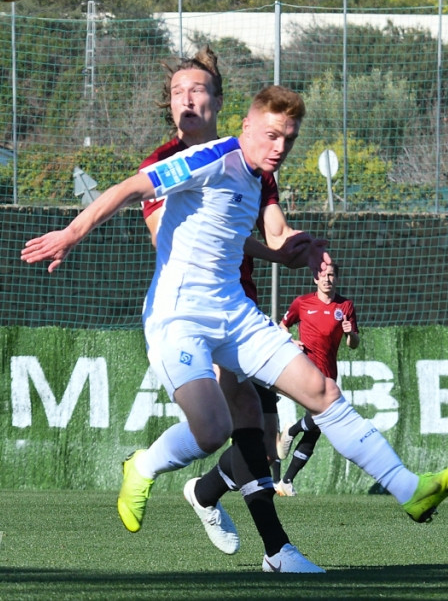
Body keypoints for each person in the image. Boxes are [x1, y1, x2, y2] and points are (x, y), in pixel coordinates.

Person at [22, 85, 448, 573]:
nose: (280, 147)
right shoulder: (211, 157)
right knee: (214, 429)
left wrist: (301, 248)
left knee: (321, 391)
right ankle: (144, 465)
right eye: (273, 135)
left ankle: (411, 490)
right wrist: (71, 233)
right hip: (179, 317)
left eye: (289, 139)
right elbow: (132, 188)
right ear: (248, 127)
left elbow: (271, 236)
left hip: (234, 313)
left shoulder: (260, 178)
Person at [140, 47, 317, 569]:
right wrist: (271, 252)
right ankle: (276, 548)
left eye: (197, 90)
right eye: (177, 92)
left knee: (261, 431)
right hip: (191, 311)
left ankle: (206, 493)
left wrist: (300, 247)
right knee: (242, 418)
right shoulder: (160, 164)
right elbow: (166, 238)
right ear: (170, 105)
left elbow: (276, 230)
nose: (186, 99)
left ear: (218, 103)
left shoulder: (253, 159)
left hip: (241, 306)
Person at [274, 261, 359, 497]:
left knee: (317, 428)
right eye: (323, 275)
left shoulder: (345, 306)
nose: (327, 279)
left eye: (331, 275)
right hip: (305, 370)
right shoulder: (302, 303)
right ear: (315, 279)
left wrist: (350, 333)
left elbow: (353, 344)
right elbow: (282, 326)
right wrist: (291, 341)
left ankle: (286, 480)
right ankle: (292, 432)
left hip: (328, 374)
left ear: (336, 279)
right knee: (324, 416)